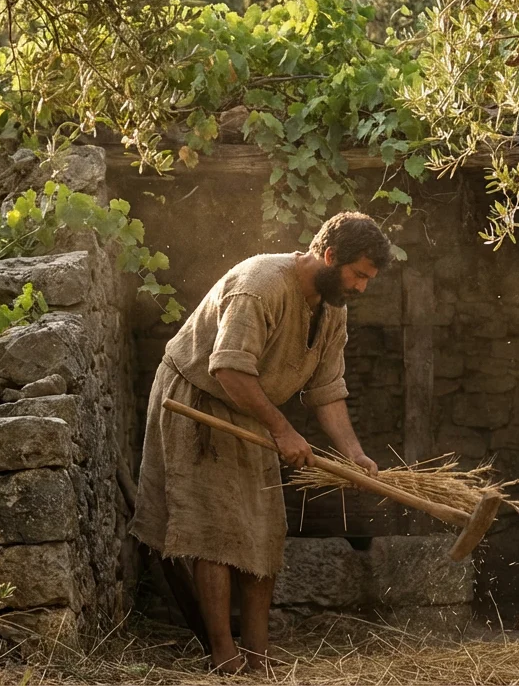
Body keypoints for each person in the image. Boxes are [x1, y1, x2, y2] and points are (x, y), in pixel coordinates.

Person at [130, 211, 390, 673]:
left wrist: (354, 453)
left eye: (367, 279)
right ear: (330, 256)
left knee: (263, 529)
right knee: (215, 531)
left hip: (251, 410)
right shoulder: (260, 286)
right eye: (358, 275)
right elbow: (228, 369)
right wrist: (282, 430)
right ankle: (225, 658)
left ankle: (257, 656)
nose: (361, 287)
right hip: (199, 400)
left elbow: (327, 389)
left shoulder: (333, 309)